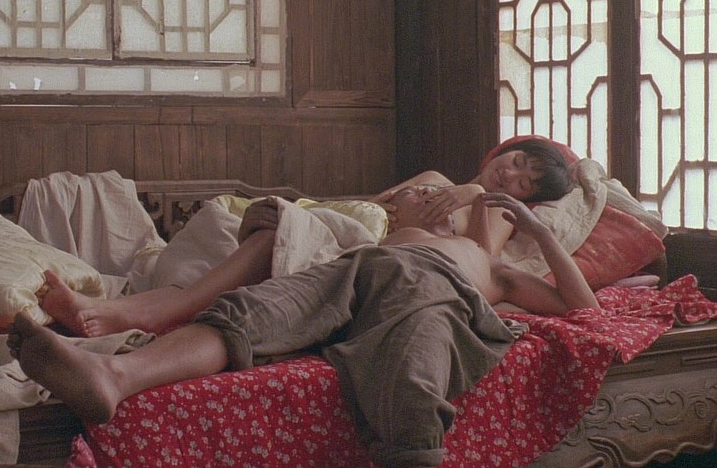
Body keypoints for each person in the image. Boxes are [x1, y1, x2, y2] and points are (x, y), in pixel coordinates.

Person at [8, 190, 598, 468]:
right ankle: (114, 375)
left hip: (428, 287)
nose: (440, 202)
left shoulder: (489, 265)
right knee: (248, 314)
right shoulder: (392, 231)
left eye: (461, 205)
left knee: (411, 382)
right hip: (353, 271)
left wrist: (537, 230)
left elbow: (582, 305)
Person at [37, 136, 573, 338]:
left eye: (525, 183)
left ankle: (139, 314)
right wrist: (405, 202)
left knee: (276, 239)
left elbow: (478, 260)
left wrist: (473, 196)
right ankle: (133, 309)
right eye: (516, 161)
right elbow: (368, 207)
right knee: (266, 229)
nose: (511, 175)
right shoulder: (434, 177)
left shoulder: (496, 211)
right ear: (504, 151)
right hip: (353, 238)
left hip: (371, 265)